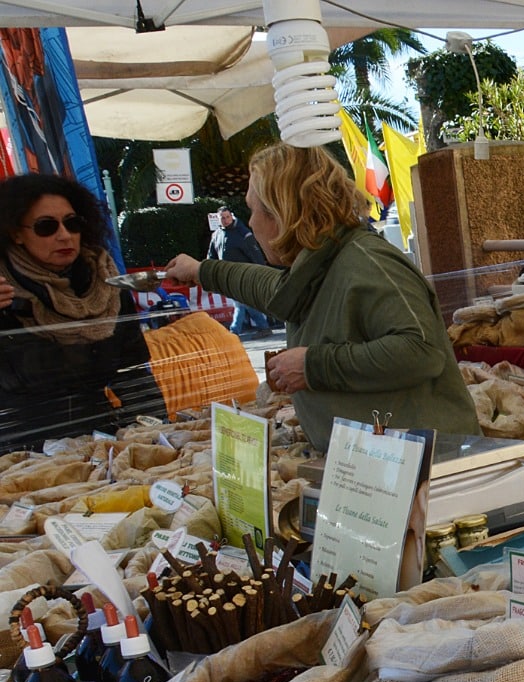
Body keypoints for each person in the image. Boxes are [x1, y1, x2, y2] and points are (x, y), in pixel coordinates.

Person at [166, 143, 479, 452]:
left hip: (429, 467)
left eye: (254, 209)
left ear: (284, 213)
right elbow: (274, 289)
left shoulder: (368, 262)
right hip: (376, 464)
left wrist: (312, 366)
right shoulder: (320, 264)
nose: (250, 222)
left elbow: (420, 351)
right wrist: (201, 271)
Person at [0, 172, 164, 448]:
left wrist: (156, 429)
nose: (64, 235)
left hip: (100, 443)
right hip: (19, 453)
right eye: (46, 226)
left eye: (72, 223)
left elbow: (133, 373)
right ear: (16, 233)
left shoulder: (107, 285)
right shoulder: (4, 292)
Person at [207, 207, 273, 339]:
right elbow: (211, 255)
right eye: (222, 218)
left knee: (240, 302)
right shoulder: (216, 235)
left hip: (244, 274)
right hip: (227, 275)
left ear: (232, 216)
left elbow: (255, 253)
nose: (225, 220)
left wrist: (260, 271)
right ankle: (263, 327)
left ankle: (234, 331)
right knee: (243, 302)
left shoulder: (243, 233)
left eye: (227, 217)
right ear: (218, 219)